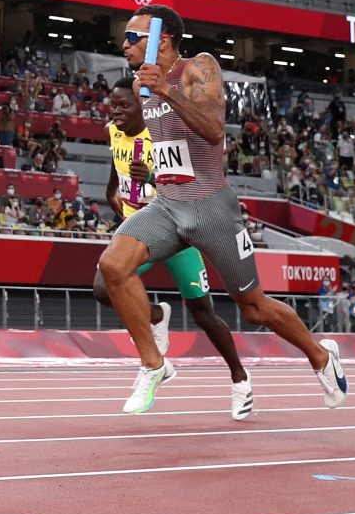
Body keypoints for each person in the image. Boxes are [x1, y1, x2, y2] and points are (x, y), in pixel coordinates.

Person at [100, 5, 346, 413]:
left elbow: (213, 130)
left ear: (161, 39)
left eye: (132, 37)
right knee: (112, 266)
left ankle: (321, 357)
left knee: (254, 308)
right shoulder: (143, 85)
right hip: (168, 205)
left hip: (211, 206)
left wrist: (166, 90)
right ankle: (153, 363)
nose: (123, 44)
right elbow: (167, 149)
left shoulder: (199, 67)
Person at [100, 76, 252, 420]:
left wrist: (150, 179)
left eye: (124, 105)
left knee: (203, 314)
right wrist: (121, 207)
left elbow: (190, 179)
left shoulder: (162, 133)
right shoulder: (113, 132)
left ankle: (239, 378)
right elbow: (114, 179)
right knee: (103, 287)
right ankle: (156, 320)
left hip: (176, 228)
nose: (116, 111)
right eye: (112, 104)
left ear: (143, 107)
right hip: (140, 233)